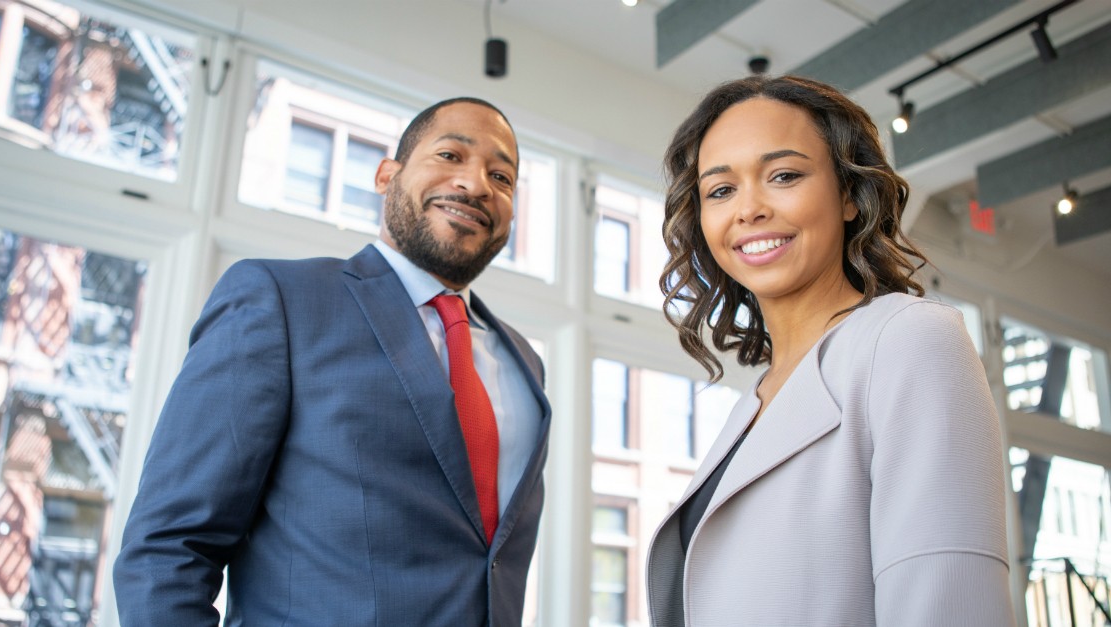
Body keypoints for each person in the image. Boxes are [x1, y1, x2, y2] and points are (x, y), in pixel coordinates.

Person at [114, 97, 551, 626]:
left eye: (501, 176)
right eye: (451, 155)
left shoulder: (523, 361)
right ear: (387, 175)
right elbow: (168, 549)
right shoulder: (279, 300)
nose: (477, 183)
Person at [646, 75, 1014, 626]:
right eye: (721, 190)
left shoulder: (910, 340)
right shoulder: (758, 398)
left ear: (849, 194)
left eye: (784, 175)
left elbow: (949, 605)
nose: (748, 209)